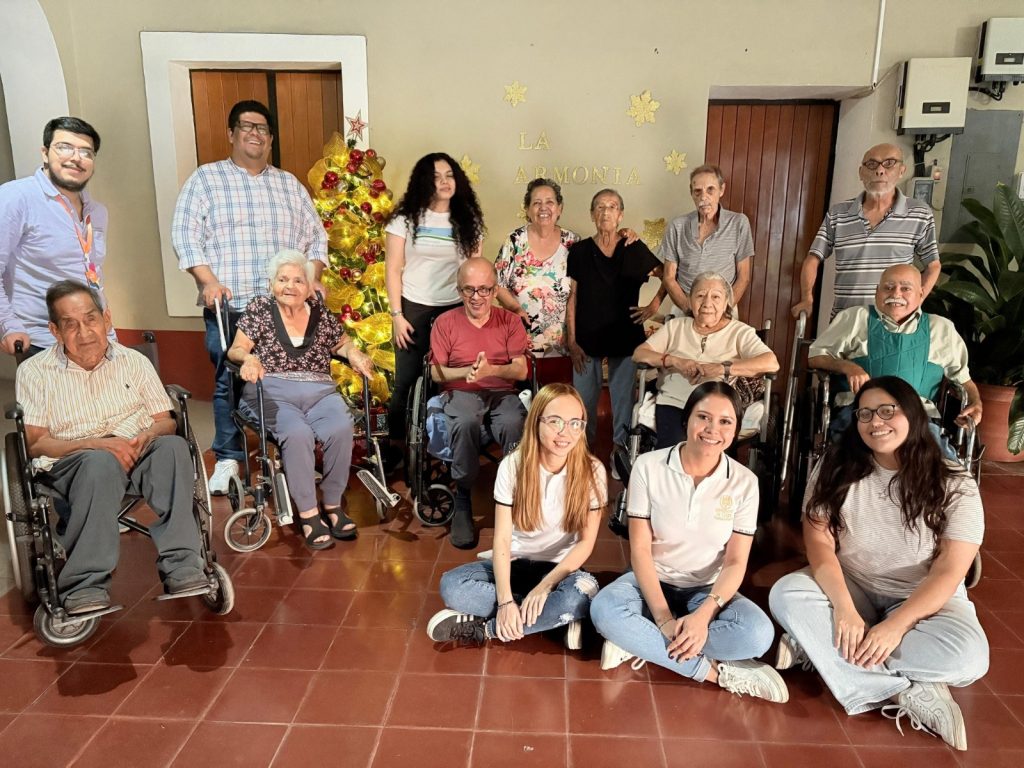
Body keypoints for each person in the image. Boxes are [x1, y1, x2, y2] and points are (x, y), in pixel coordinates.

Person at [769, 376, 988, 751]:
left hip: (925, 601)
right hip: (854, 585)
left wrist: (896, 627)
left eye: (888, 411)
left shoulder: (955, 483)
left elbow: (950, 571)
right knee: (786, 593)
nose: (876, 422)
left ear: (913, 415)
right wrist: (843, 608)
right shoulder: (837, 466)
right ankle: (902, 692)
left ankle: (821, 646)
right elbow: (818, 541)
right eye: (865, 414)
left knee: (969, 659)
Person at [15, 280, 207, 614]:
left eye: (91, 319)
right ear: (55, 331)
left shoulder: (134, 361)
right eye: (70, 324)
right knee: (99, 463)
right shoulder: (35, 371)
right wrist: (96, 445)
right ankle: (84, 584)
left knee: (174, 448)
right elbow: (35, 443)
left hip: (137, 450)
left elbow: (165, 421)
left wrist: (148, 435)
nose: (84, 332)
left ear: (106, 319)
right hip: (75, 460)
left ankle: (183, 566)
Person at [590, 382, 787, 703]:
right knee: (604, 610)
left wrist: (703, 617)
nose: (712, 429)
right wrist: (665, 620)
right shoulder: (649, 467)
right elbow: (640, 550)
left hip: (706, 590)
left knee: (758, 635)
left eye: (725, 421)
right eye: (703, 417)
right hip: (648, 582)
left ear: (736, 429)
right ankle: (717, 674)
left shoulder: (745, 483)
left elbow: (736, 562)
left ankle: (640, 641)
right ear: (687, 420)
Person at [172, 100, 328, 496]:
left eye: (262, 128)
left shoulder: (289, 185)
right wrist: (207, 281)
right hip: (233, 304)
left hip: (285, 308)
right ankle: (229, 457)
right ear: (231, 133)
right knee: (229, 380)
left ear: (271, 139)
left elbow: (316, 239)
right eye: (247, 126)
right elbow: (186, 236)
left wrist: (312, 279)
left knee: (288, 378)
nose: (255, 133)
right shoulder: (206, 180)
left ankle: (290, 452)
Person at [427, 383, 605, 648]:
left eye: (574, 423)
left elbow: (585, 543)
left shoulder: (593, 471)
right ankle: (553, 620)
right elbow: (502, 540)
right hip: (515, 563)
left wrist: (544, 587)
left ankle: (486, 629)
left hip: (560, 570)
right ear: (536, 421)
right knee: (451, 585)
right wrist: (505, 601)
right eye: (555, 421)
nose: (565, 432)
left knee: (579, 596)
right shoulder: (513, 466)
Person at [227, 250, 374, 551]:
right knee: (297, 433)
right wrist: (249, 359)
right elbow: (236, 349)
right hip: (271, 391)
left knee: (340, 427)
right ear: (272, 284)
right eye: (282, 279)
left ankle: (332, 504)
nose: (290, 286)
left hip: (319, 391)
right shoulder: (260, 309)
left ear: (309, 287)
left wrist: (354, 353)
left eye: (298, 281)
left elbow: (341, 343)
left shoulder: (319, 312)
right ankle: (308, 513)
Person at [807, 264, 982, 448]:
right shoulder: (855, 318)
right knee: (852, 456)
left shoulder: (941, 328)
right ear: (877, 292)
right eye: (888, 287)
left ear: (921, 293)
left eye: (905, 288)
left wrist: (976, 402)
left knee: (936, 460)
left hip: (918, 417)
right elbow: (815, 356)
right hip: (860, 412)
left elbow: (963, 380)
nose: (896, 294)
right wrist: (848, 366)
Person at [385, 152, 484, 468]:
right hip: (413, 308)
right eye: (437, 177)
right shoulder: (405, 220)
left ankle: (439, 447)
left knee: (446, 381)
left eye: (449, 175)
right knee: (407, 381)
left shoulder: (468, 221)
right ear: (424, 182)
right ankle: (396, 449)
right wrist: (397, 316)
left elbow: (474, 272)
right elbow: (392, 269)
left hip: (454, 309)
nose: (444, 182)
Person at [429, 257, 529, 548]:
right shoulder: (445, 322)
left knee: (513, 421)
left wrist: (491, 371)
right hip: (460, 391)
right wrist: (467, 372)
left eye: (484, 289)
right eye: (469, 289)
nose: (476, 297)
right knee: (465, 420)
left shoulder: (510, 321)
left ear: (495, 290)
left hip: (502, 392)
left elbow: (521, 370)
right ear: (459, 290)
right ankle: (462, 497)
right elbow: (435, 372)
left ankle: (513, 497)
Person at [566, 188, 664, 467]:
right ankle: (582, 457)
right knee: (583, 403)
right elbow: (572, 297)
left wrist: (653, 305)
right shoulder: (579, 251)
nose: (605, 212)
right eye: (599, 207)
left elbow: (667, 275)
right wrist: (572, 341)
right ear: (592, 215)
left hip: (625, 337)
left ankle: (620, 455)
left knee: (623, 403)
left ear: (620, 215)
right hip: (586, 340)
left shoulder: (633, 247)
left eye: (611, 207)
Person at [0, 117, 111, 357]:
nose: (76, 158)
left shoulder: (97, 212)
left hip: (95, 338)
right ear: (45, 153)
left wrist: (106, 329)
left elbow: (93, 273)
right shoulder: (16, 198)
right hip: (42, 340)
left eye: (86, 152)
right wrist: (8, 325)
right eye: (64, 147)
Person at [792, 143, 940, 321]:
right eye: (871, 164)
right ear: (861, 173)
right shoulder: (839, 213)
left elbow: (933, 266)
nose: (879, 170)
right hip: (846, 319)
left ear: (902, 170)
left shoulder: (919, 213)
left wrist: (915, 302)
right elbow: (813, 258)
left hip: (894, 322)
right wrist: (807, 298)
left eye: (889, 163)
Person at [633, 272, 779, 448]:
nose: (707, 303)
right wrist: (675, 361)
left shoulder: (740, 332)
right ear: (690, 300)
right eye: (700, 295)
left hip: (718, 406)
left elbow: (771, 362)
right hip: (674, 402)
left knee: (711, 450)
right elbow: (640, 353)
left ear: (726, 303)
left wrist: (722, 368)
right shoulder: (675, 326)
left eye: (716, 297)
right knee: (676, 452)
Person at [494, 178, 580, 382]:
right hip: (520, 345)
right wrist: (515, 308)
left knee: (556, 399)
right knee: (522, 398)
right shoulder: (515, 241)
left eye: (550, 202)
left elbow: (579, 293)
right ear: (527, 209)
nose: (543, 208)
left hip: (562, 347)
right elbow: (497, 285)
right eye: (536, 203)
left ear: (559, 208)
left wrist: (573, 339)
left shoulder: (573, 243)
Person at [660, 164, 754, 317]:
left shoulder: (738, 223)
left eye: (710, 189)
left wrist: (723, 311)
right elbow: (669, 277)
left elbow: (743, 277)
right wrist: (689, 309)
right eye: (697, 191)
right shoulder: (677, 226)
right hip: (685, 308)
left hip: (723, 309)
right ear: (691, 193)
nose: (703, 197)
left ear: (721, 190)